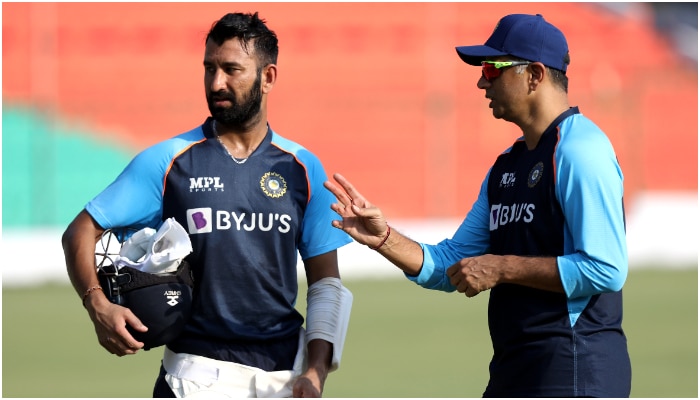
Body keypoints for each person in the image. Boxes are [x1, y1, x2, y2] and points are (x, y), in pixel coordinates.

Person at [324, 13, 631, 397]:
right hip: (513, 369)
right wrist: (384, 238)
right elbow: (451, 263)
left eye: (492, 68)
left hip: (573, 366)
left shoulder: (581, 149)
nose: (481, 81)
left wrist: (501, 267)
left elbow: (606, 269)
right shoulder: (507, 165)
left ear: (534, 75)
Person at [62, 12, 353, 398]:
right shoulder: (168, 161)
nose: (217, 82)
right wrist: (97, 304)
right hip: (193, 378)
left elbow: (326, 285)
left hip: (288, 379)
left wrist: (315, 373)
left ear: (268, 77)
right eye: (209, 68)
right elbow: (80, 231)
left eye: (232, 69)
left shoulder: (303, 168)